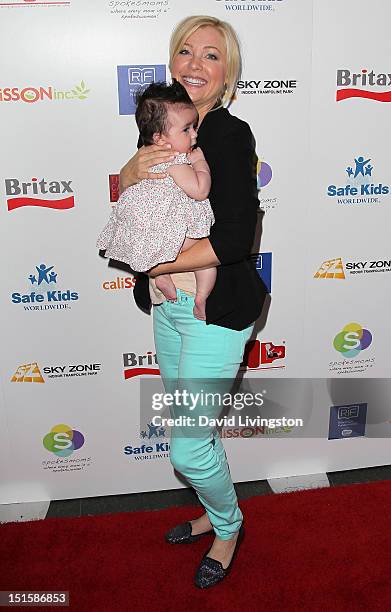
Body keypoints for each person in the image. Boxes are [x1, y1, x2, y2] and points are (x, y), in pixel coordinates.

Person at [119, 15, 267, 589]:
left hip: (216, 307)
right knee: (196, 431)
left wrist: (154, 264)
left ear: (226, 71)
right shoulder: (159, 129)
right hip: (169, 307)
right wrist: (128, 172)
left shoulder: (228, 135)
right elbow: (140, 213)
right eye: (186, 52)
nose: (195, 64)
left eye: (211, 54)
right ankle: (211, 510)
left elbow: (232, 238)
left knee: (185, 446)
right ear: (172, 63)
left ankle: (229, 526)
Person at [97, 80, 216, 320]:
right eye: (186, 129)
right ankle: (202, 297)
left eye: (194, 126)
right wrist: (200, 163)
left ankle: (159, 275)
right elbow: (200, 190)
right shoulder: (175, 160)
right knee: (206, 259)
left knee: (162, 257)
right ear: (160, 138)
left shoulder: (147, 157)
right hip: (170, 233)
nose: (195, 134)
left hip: (149, 232)